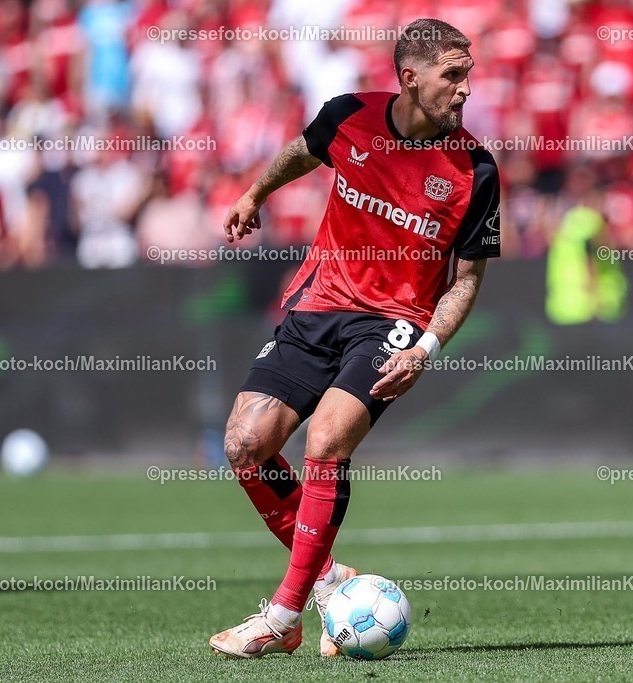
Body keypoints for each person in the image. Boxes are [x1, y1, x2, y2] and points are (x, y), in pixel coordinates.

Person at [208, 18, 501, 660]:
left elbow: (467, 280)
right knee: (245, 445)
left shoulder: (475, 169)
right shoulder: (348, 117)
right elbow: (302, 151)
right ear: (410, 77)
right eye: (453, 75)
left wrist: (424, 349)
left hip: (392, 323)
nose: (465, 90)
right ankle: (331, 578)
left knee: (327, 437)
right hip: (319, 303)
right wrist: (256, 191)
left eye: (467, 74)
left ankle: (283, 615)